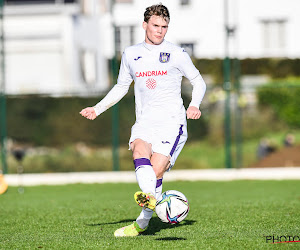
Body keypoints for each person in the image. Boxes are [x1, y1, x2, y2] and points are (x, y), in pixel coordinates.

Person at [80, 4, 206, 237]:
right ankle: (153, 204)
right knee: (139, 150)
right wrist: (97, 109)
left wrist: (195, 104)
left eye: (164, 27)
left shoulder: (177, 53)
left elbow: (199, 81)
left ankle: (142, 223)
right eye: (156, 25)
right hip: (145, 122)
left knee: (156, 173)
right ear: (145, 25)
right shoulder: (131, 54)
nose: (160, 31)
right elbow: (120, 87)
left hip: (172, 123)